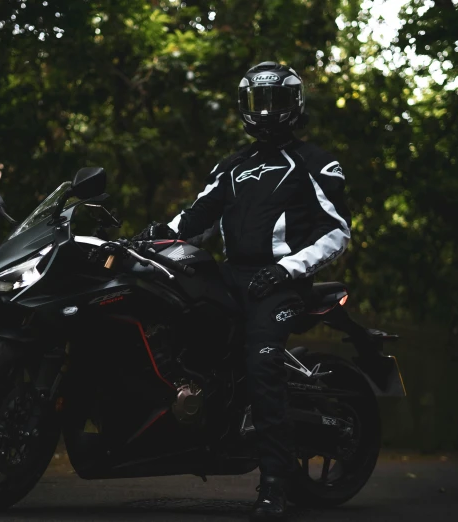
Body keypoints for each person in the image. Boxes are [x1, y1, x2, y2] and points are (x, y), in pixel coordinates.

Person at [135, 61, 352, 520]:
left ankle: (274, 483)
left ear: (294, 104)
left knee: (261, 364)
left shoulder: (315, 162)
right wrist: (153, 236)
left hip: (279, 283)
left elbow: (337, 232)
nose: (267, 111)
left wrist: (290, 269)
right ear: (244, 107)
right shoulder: (233, 164)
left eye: (276, 101)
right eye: (258, 101)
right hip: (230, 276)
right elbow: (195, 219)